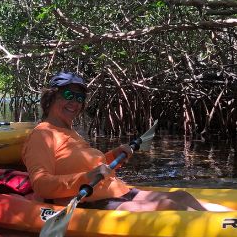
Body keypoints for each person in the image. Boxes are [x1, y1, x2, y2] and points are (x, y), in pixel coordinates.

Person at [22, 71, 230, 211]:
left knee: (182, 196)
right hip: (88, 203)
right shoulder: (42, 136)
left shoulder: (69, 132)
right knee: (171, 205)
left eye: (79, 98)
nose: (74, 103)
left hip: (115, 191)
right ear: (50, 98)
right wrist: (86, 177)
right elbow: (41, 185)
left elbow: (88, 164)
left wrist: (113, 156)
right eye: (68, 95)